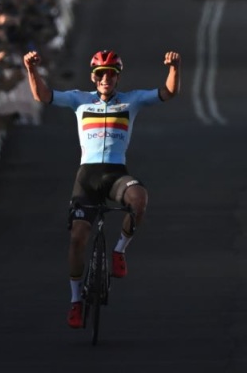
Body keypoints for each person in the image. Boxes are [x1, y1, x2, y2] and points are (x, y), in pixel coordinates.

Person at [23, 48, 181, 328]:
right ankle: (75, 301)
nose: (106, 78)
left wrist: (174, 69)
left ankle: (120, 250)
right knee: (77, 240)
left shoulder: (130, 101)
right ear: (93, 77)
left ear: (117, 78)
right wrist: (31, 70)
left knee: (139, 199)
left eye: (111, 74)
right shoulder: (78, 100)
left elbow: (168, 93)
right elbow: (42, 96)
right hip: (87, 177)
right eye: (101, 74)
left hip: (116, 174)